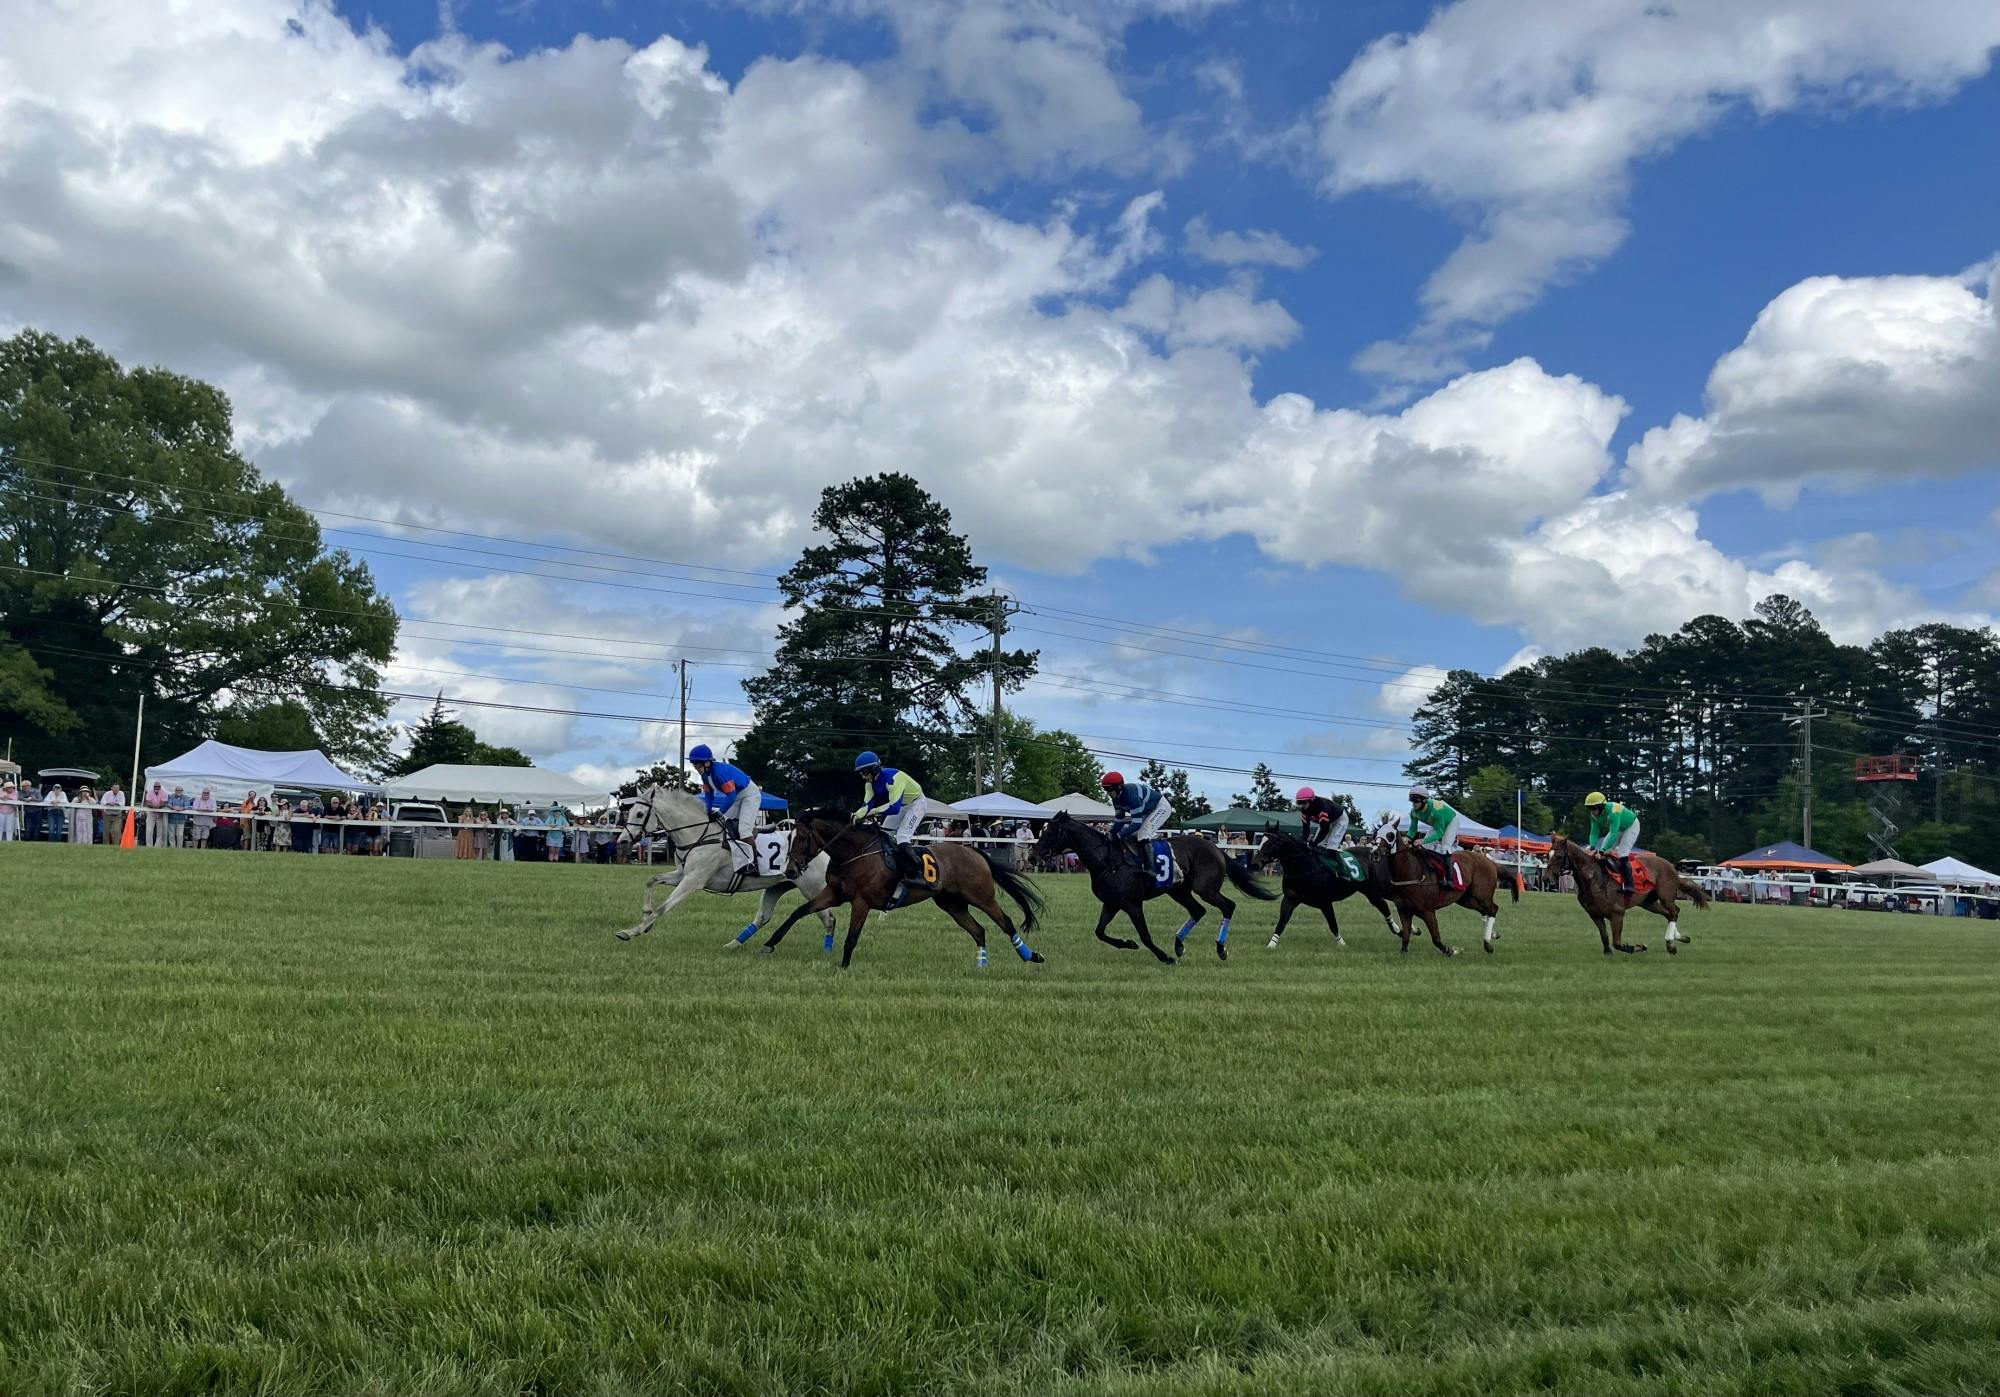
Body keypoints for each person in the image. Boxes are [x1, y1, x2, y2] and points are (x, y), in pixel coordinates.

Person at [852, 751, 928, 879]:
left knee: (903, 836)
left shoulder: (893, 779)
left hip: (917, 803)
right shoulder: (869, 784)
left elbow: (894, 808)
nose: (862, 776)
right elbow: (866, 806)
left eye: (864, 772)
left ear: (874, 769)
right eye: (860, 773)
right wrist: (854, 816)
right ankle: (894, 869)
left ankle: (919, 872)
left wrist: (874, 811)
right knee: (885, 835)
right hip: (903, 805)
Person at [687, 744, 760, 873]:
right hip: (737, 797)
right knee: (721, 825)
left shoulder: (720, 773)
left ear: (708, 763)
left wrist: (720, 812)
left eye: (698, 765)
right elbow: (709, 795)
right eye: (695, 765)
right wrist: (708, 811)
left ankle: (754, 864)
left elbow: (730, 796)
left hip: (749, 795)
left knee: (743, 830)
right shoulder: (705, 776)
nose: (697, 768)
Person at [1101, 771, 1172, 861]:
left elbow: (1136, 824)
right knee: (1132, 834)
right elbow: (1119, 822)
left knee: (1143, 834)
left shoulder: (1131, 796)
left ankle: (1150, 868)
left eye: (1110, 790)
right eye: (1106, 790)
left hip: (1161, 807)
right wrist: (1111, 833)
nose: (1108, 794)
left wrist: (1119, 835)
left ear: (1119, 787)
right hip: (1147, 811)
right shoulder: (1116, 800)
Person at [1405, 785, 1464, 884]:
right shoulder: (1413, 812)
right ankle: (1426, 873)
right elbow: (1413, 829)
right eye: (1412, 801)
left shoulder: (1436, 810)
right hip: (1437, 825)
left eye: (1416, 801)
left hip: (1451, 822)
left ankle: (1449, 879)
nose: (1413, 804)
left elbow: (1440, 833)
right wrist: (1407, 838)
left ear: (1424, 801)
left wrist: (1423, 840)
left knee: (1445, 848)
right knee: (1424, 848)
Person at [1584, 791, 1640, 894]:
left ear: (1602, 806)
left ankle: (1629, 885)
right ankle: (1607, 880)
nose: (1592, 811)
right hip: (1619, 829)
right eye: (1590, 808)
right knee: (1603, 849)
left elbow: (1613, 833)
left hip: (1631, 825)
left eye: (1594, 808)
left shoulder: (1614, 810)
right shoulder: (1593, 816)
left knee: (1622, 853)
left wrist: (1601, 851)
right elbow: (1594, 833)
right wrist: (1592, 847)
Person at [1294, 786, 1349, 853]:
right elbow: (1306, 828)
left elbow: (1325, 830)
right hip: (1328, 821)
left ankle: (1339, 862)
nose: (1302, 805)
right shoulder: (1304, 811)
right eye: (1299, 803)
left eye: (1304, 802)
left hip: (1340, 819)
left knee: (1331, 846)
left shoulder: (1322, 808)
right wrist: (1303, 841)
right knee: (1319, 846)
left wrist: (1314, 843)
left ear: (1311, 800)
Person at [142, 780, 168, 846]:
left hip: (160, 814)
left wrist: (157, 805)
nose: (156, 787)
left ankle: (157, 846)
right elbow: (147, 802)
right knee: (149, 831)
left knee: (160, 832)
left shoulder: (164, 793)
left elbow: (164, 803)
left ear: (160, 787)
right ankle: (149, 846)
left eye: (158, 786)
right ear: (153, 786)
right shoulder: (150, 792)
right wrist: (154, 806)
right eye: (155, 786)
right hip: (151, 813)